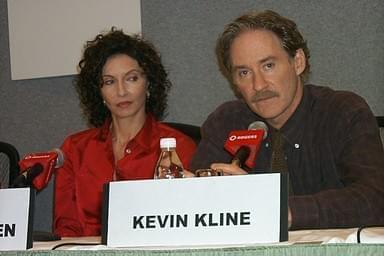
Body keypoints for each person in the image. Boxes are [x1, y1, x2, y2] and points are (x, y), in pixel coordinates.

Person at [190, 10, 384, 230]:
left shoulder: (343, 113)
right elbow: (198, 208)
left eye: (268, 66)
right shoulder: (225, 123)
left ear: (298, 62)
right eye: (244, 72)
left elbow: (375, 198)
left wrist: (277, 209)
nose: (259, 85)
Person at [53, 28, 196, 237]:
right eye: (109, 82)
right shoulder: (75, 149)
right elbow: (66, 229)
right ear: (99, 92)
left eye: (131, 78)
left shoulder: (180, 147)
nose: (121, 91)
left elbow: (185, 225)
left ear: (149, 84)